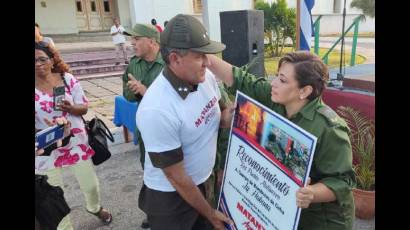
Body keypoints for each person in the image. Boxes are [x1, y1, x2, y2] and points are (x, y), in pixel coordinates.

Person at [207, 51, 356, 229]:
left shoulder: (329, 129)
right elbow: (240, 79)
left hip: (322, 221)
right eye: (277, 76)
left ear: (304, 91)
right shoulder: (276, 100)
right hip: (285, 214)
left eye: (283, 80)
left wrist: (311, 193)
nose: (274, 83)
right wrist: (204, 56)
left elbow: (343, 182)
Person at [136, 14, 233, 230]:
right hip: (171, 199)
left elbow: (214, 120)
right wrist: (210, 214)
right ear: (174, 59)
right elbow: (176, 176)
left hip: (202, 182)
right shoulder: (157, 109)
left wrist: (230, 118)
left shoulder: (204, 77)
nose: (208, 63)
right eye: (200, 56)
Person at [35, 42, 112, 230]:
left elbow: (83, 106)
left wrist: (70, 108)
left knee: (91, 186)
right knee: (51, 197)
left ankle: (94, 208)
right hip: (46, 147)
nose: (37, 63)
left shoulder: (67, 79)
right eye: (33, 60)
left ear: (52, 60)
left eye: (42, 59)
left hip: (76, 141)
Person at [122, 23, 165, 229]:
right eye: (132, 39)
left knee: (169, 168)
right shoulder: (134, 64)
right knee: (148, 167)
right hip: (145, 127)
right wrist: (133, 90)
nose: (132, 43)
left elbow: (177, 99)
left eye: (137, 39)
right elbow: (127, 95)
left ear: (151, 41)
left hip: (167, 127)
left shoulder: (169, 63)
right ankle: (151, 211)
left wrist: (145, 90)